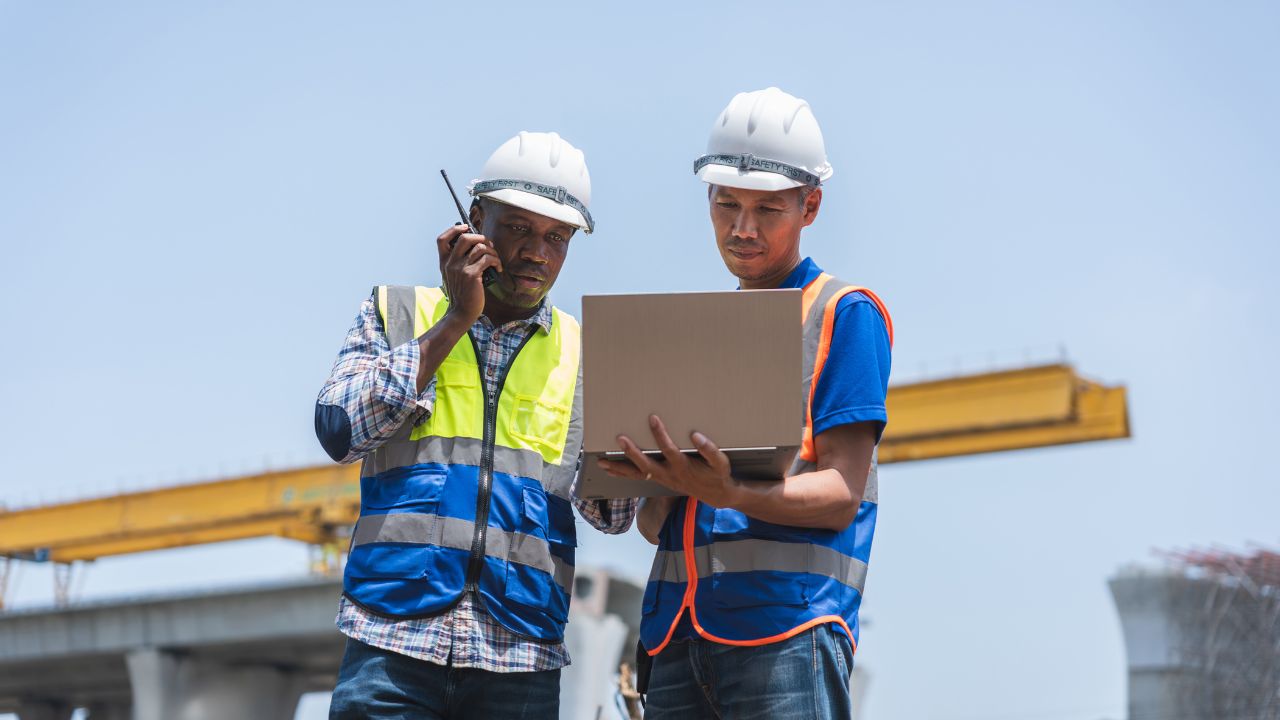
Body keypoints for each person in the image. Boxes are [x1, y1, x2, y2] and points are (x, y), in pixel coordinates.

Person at [315, 131, 633, 719]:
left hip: (519, 662)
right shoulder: (398, 313)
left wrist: (649, 430)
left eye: (556, 237)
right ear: (473, 221)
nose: (537, 253)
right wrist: (457, 321)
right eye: (517, 228)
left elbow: (613, 516)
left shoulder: (587, 356)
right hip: (393, 647)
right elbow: (339, 428)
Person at [599, 87, 894, 719]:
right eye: (727, 203)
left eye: (767, 209)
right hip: (677, 638)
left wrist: (730, 492)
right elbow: (659, 529)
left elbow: (842, 491)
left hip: (786, 632)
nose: (743, 228)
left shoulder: (843, 314)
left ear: (810, 205)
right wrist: (661, 480)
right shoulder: (697, 335)